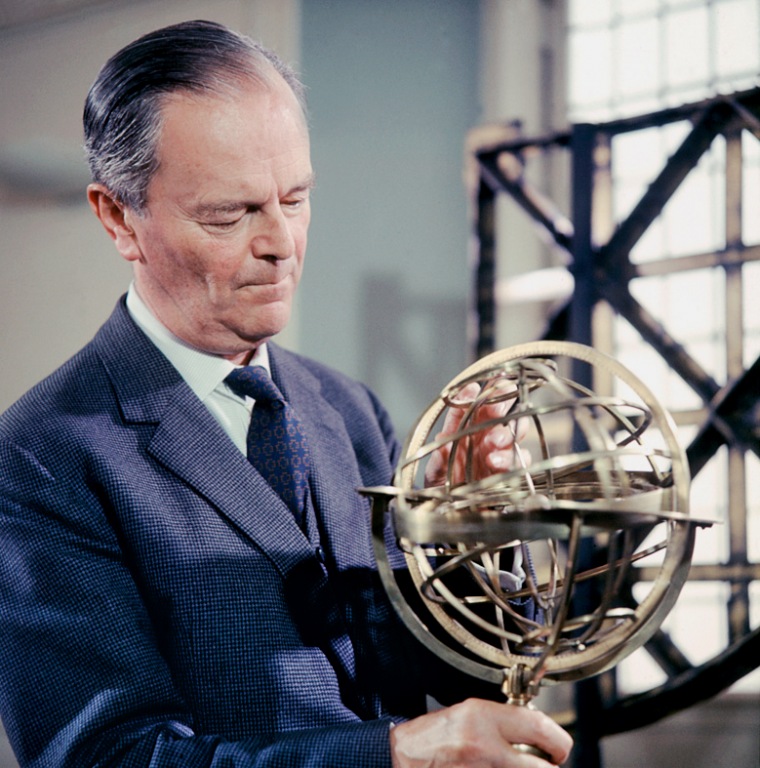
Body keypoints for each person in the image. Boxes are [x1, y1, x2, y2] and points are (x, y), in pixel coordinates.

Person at [0, 20, 572, 768]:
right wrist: (393, 755)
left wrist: (465, 535)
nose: (281, 244)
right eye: (228, 213)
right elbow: (108, 757)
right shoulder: (40, 458)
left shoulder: (351, 410)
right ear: (118, 218)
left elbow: (467, 674)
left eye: (295, 199)